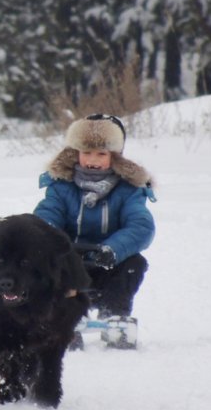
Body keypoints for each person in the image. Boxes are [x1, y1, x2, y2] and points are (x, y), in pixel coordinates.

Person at [33, 114, 156, 324]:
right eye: (86, 153)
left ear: (115, 156)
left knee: (135, 263)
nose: (92, 161)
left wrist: (112, 250)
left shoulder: (129, 188)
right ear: (76, 153)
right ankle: (66, 318)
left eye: (101, 154)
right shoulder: (61, 185)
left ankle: (115, 315)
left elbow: (141, 226)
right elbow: (46, 218)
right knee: (48, 263)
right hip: (70, 264)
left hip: (109, 264)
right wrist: (55, 243)